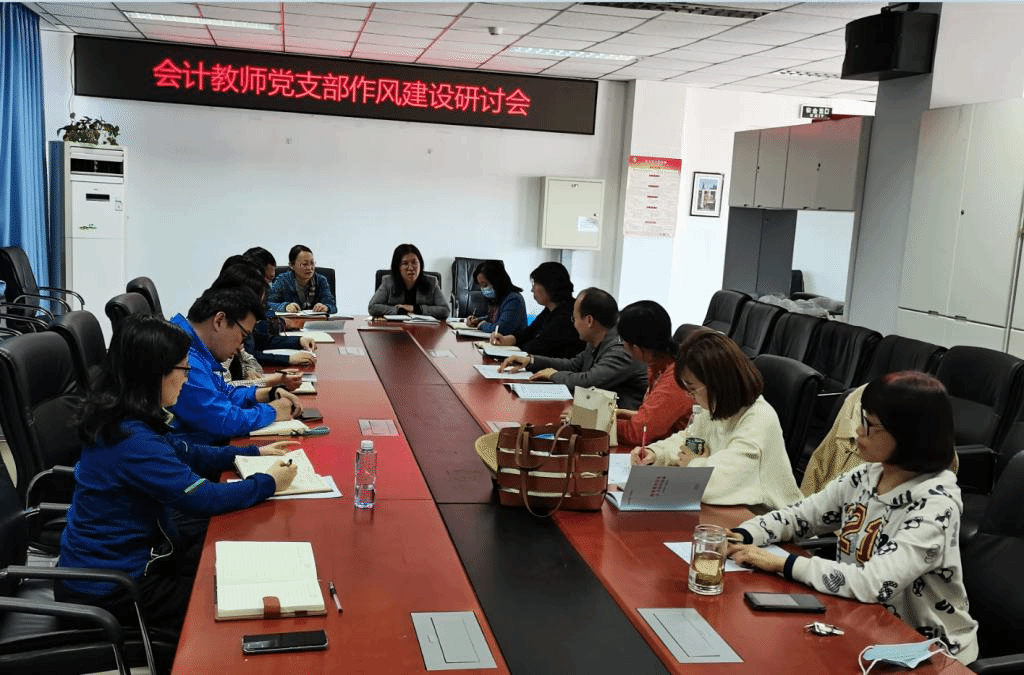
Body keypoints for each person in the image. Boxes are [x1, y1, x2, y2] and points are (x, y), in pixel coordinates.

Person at [56, 314, 298, 639]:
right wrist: (267, 483)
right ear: (155, 373)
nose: (187, 378)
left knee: (216, 560)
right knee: (226, 607)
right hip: (110, 588)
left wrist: (251, 453)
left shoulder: (125, 417)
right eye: (184, 369)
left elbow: (185, 451)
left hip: (123, 562)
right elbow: (202, 498)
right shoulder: (132, 441)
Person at [728, 372, 978, 664]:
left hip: (928, 651)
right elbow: (800, 516)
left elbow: (874, 583)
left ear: (908, 435)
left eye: (870, 425)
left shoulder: (936, 507)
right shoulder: (866, 476)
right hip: (864, 623)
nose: (858, 431)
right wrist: (743, 534)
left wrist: (782, 563)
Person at [632, 328, 802, 510]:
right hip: (728, 509)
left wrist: (693, 464)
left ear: (716, 383)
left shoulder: (759, 419)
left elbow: (719, 482)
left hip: (764, 515)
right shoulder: (715, 408)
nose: (690, 396)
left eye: (692, 389)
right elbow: (690, 440)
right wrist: (656, 453)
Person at [169, 286, 302, 441]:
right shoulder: (184, 357)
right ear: (219, 321)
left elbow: (223, 392)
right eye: (243, 335)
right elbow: (222, 420)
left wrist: (268, 393)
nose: (241, 346)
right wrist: (272, 411)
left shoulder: (195, 349)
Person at [500, 287, 647, 409]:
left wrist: (553, 375)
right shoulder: (598, 338)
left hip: (620, 423)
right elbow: (574, 365)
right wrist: (531, 361)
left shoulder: (621, 348)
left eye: (574, 318)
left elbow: (588, 382)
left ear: (589, 321)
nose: (573, 324)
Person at [615, 300, 693, 446]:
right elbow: (653, 419)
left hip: (682, 452)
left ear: (636, 348)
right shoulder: (660, 363)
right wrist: (617, 415)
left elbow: (637, 433)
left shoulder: (675, 378)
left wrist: (594, 424)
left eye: (623, 340)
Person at [490, 261, 583, 358]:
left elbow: (538, 347)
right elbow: (530, 331)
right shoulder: (551, 309)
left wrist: (514, 347)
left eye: (535, 284)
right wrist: (507, 339)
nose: (532, 290)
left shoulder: (567, 314)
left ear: (549, 286)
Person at [368, 243, 449, 319]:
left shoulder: (431, 282)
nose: (410, 268)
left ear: (420, 264)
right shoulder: (388, 282)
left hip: (423, 328)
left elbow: (445, 310)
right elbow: (372, 307)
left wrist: (415, 308)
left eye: (414, 263)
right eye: (405, 263)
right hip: (395, 327)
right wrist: (399, 310)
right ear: (397, 267)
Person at [267, 244, 337, 314]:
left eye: (312, 263)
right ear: (292, 265)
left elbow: (333, 306)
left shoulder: (321, 280)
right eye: (304, 264)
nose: (309, 268)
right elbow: (268, 304)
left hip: (315, 320)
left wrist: (326, 307)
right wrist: (285, 307)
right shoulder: (282, 281)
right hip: (291, 320)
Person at [464, 260, 527, 335]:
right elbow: (494, 318)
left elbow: (501, 328)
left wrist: (482, 325)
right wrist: (477, 320)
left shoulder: (513, 300)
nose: (482, 289)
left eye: (485, 285)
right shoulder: (496, 298)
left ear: (497, 281)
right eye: (480, 285)